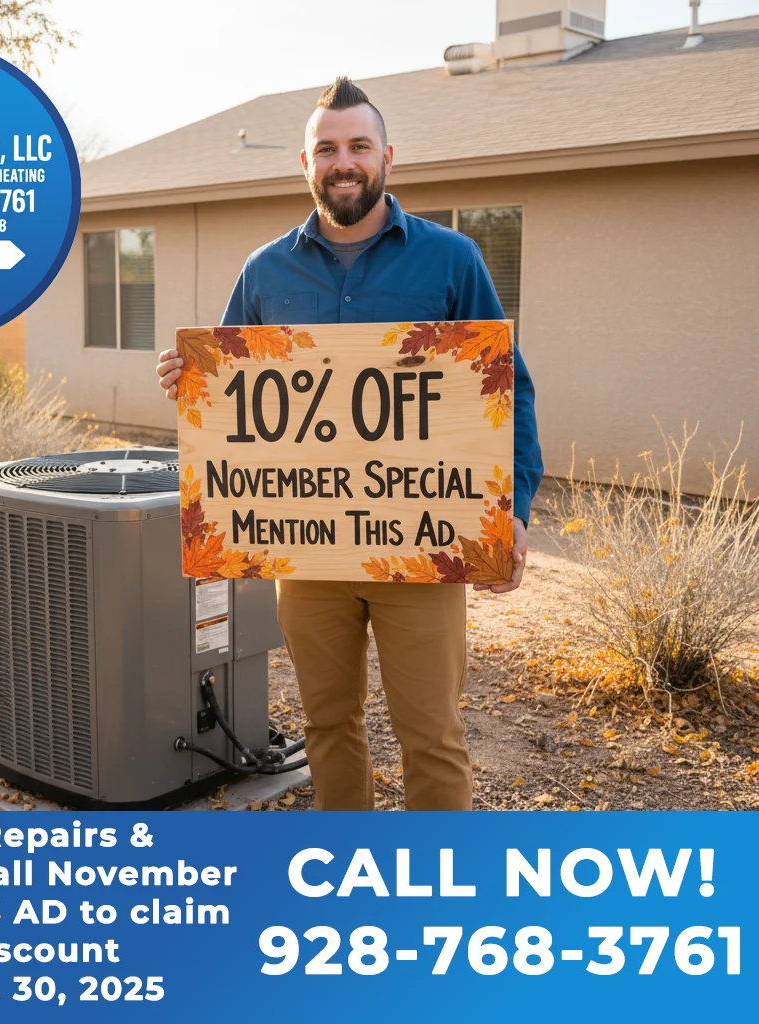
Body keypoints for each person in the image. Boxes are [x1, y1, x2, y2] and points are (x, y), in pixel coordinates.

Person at [156, 77, 543, 811]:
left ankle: (438, 897)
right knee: (327, 725)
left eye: (358, 146)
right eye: (327, 148)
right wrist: (192, 383)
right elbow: (235, 406)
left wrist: (513, 506)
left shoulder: (452, 260)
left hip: (421, 542)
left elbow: (507, 389)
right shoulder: (265, 270)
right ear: (305, 164)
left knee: (430, 732)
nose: (344, 161)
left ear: (386, 156)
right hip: (309, 547)